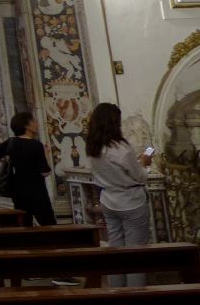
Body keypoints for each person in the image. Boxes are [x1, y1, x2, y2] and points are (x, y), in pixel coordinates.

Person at [87, 101, 152, 287]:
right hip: (130, 201)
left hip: (108, 200)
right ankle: (136, 293)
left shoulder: (92, 147)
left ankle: (116, 292)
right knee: (135, 254)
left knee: (116, 250)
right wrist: (144, 163)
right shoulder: (121, 148)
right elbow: (139, 177)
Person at [0, 111, 56, 226]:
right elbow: (45, 172)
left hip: (18, 191)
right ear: (26, 125)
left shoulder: (11, 142)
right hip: (37, 191)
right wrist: (46, 155)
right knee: (49, 224)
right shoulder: (36, 145)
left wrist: (6, 161)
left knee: (24, 224)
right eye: (33, 121)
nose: (36, 124)